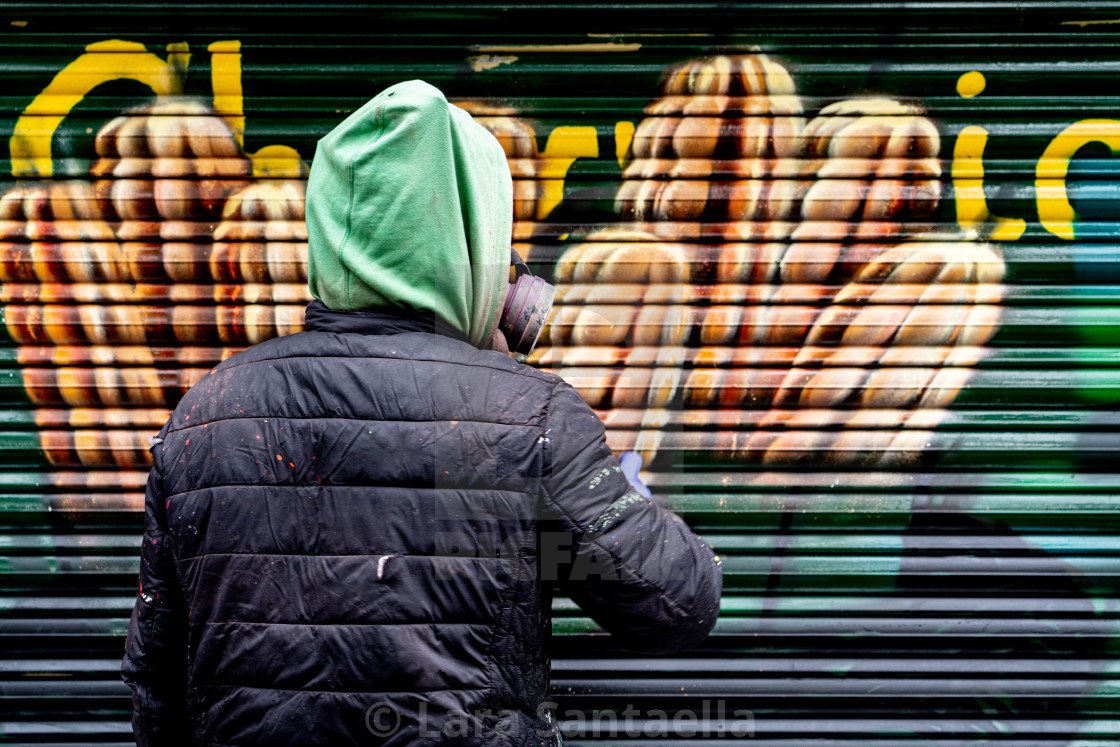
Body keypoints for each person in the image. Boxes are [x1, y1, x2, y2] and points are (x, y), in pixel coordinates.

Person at [121, 79, 722, 747]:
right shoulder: (530, 417)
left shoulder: (206, 416)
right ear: (474, 236)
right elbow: (678, 602)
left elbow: (156, 682)